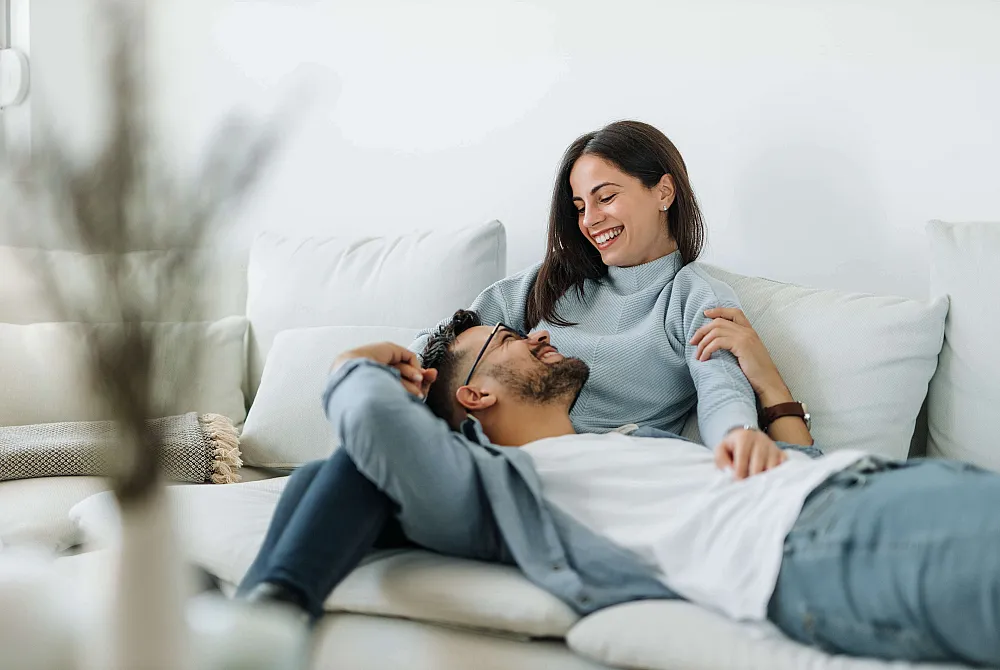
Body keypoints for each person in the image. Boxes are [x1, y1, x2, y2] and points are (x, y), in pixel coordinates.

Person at [236, 120, 814, 618]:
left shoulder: (691, 298)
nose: (590, 219)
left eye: (606, 197)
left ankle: (263, 612)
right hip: (480, 457)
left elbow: (719, 391)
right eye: (580, 205)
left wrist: (737, 437)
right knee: (331, 475)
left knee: (335, 476)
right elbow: (444, 347)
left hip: (575, 479)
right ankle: (261, 617)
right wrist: (411, 380)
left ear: (663, 191)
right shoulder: (543, 289)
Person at [318, 310, 1000, 667]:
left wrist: (768, 391)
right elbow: (377, 427)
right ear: (474, 393)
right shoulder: (495, 485)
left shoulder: (630, 446)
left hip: (866, 490)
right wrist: (358, 365)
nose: (541, 335)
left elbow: (791, 469)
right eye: (512, 337)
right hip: (820, 543)